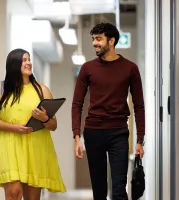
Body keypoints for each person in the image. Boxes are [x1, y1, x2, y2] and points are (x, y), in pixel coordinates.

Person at [71, 23, 145, 200]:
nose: (94, 43)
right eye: (93, 39)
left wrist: (140, 139)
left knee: (119, 190)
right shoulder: (87, 68)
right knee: (99, 191)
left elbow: (139, 105)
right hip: (93, 132)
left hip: (118, 132)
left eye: (98, 39)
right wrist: (76, 136)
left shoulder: (130, 68)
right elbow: (77, 104)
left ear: (111, 41)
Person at [0, 48, 66, 200]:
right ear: (14, 64)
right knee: (14, 192)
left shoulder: (42, 90)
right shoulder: (2, 89)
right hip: (9, 145)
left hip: (34, 147)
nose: (29, 63)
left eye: (29, 59)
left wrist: (44, 118)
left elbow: (53, 125)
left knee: (32, 197)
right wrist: (14, 128)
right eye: (24, 60)